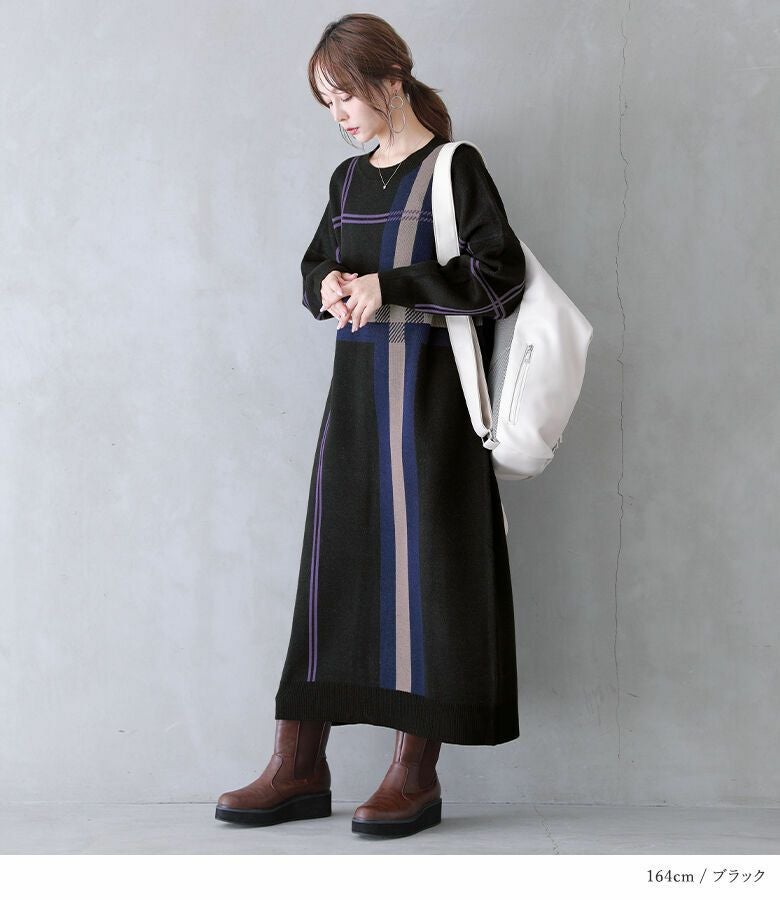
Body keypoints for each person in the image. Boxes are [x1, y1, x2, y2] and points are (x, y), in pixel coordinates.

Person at [215, 12, 527, 839]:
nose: (338, 115)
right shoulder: (349, 181)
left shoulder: (456, 168)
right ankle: (298, 766)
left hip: (434, 409)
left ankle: (413, 776)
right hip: (357, 406)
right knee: (336, 569)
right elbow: (316, 262)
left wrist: (391, 286)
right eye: (325, 102)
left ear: (391, 78)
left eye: (344, 95)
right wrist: (325, 285)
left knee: (427, 575)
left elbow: (500, 279)